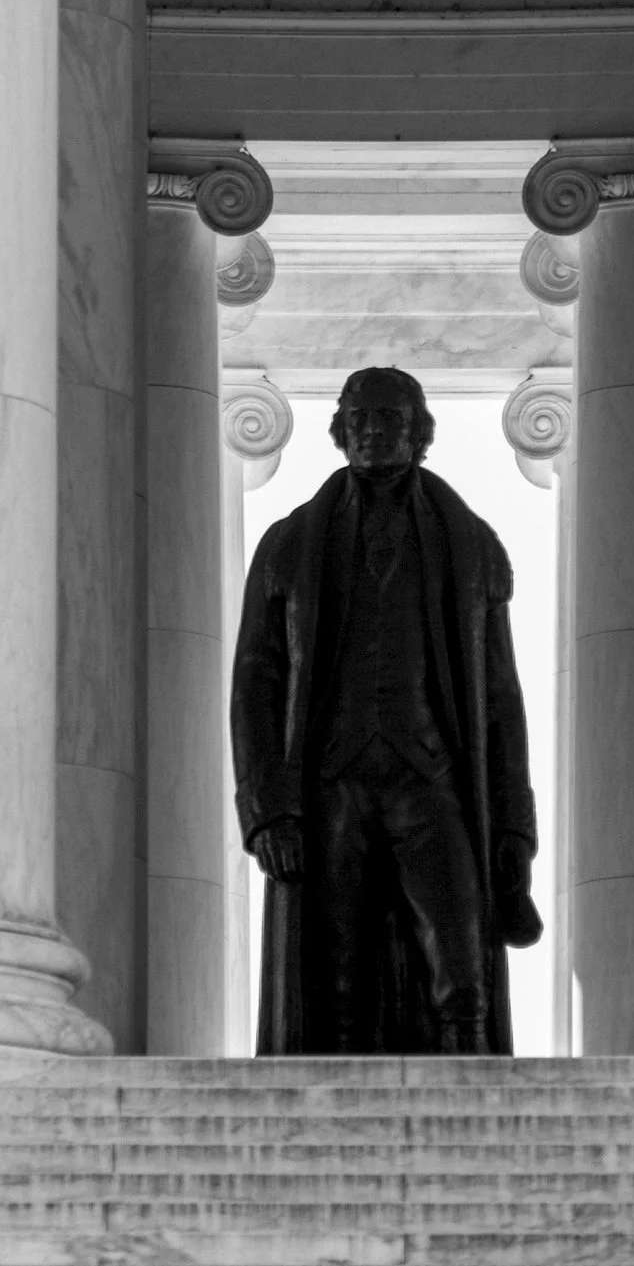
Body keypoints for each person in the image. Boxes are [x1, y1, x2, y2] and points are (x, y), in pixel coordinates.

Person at [230, 361, 541, 1054]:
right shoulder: (286, 545)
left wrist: (514, 827)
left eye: (389, 419)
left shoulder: (474, 546)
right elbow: (255, 682)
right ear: (340, 432)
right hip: (332, 786)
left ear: (418, 434)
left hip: (430, 783)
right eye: (360, 419)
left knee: (462, 970)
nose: (373, 432)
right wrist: (269, 807)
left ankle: (475, 1131)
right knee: (336, 988)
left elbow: (500, 696)